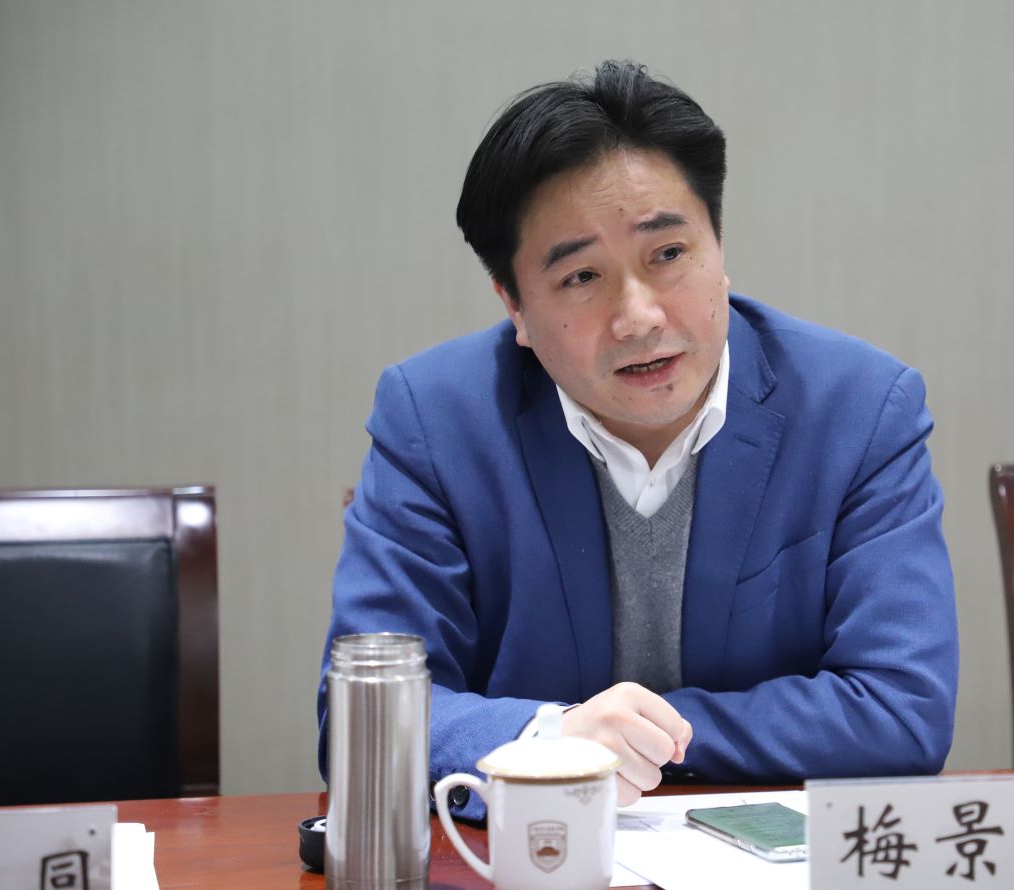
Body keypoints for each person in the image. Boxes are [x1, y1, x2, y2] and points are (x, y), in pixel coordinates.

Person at [320, 61, 957, 822]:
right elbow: (364, 723)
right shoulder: (436, 419)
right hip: (529, 867)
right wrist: (549, 740)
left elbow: (901, 710)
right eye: (581, 277)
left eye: (669, 255)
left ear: (720, 247)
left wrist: (628, 741)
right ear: (514, 306)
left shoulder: (858, 409)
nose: (640, 317)